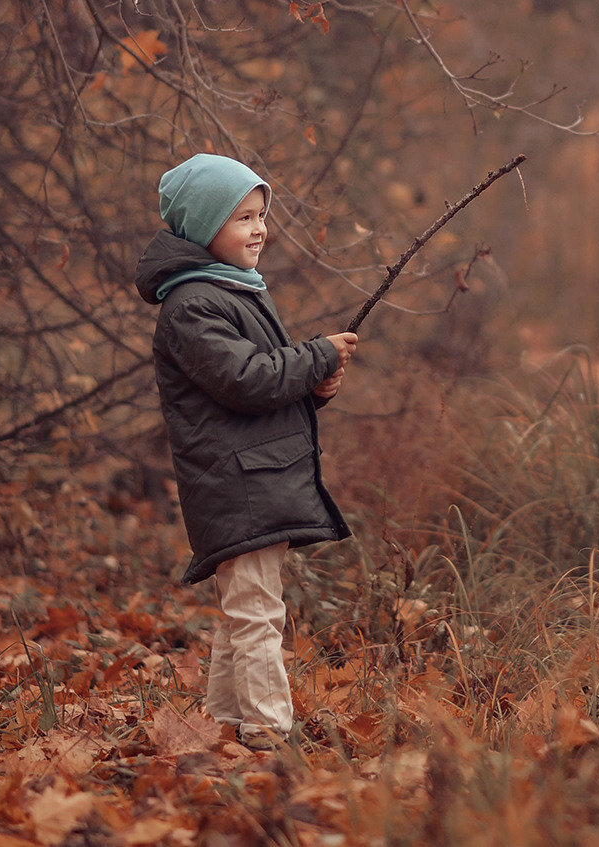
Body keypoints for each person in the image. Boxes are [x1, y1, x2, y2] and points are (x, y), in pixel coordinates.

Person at [135, 153, 357, 751]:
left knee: (247, 609)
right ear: (205, 226)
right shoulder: (193, 305)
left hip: (255, 476)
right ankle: (267, 729)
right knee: (257, 612)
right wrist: (316, 355)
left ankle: (229, 718)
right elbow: (246, 380)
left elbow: (263, 388)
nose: (259, 229)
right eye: (243, 218)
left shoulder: (232, 291)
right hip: (238, 485)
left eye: (261, 215)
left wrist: (315, 386)